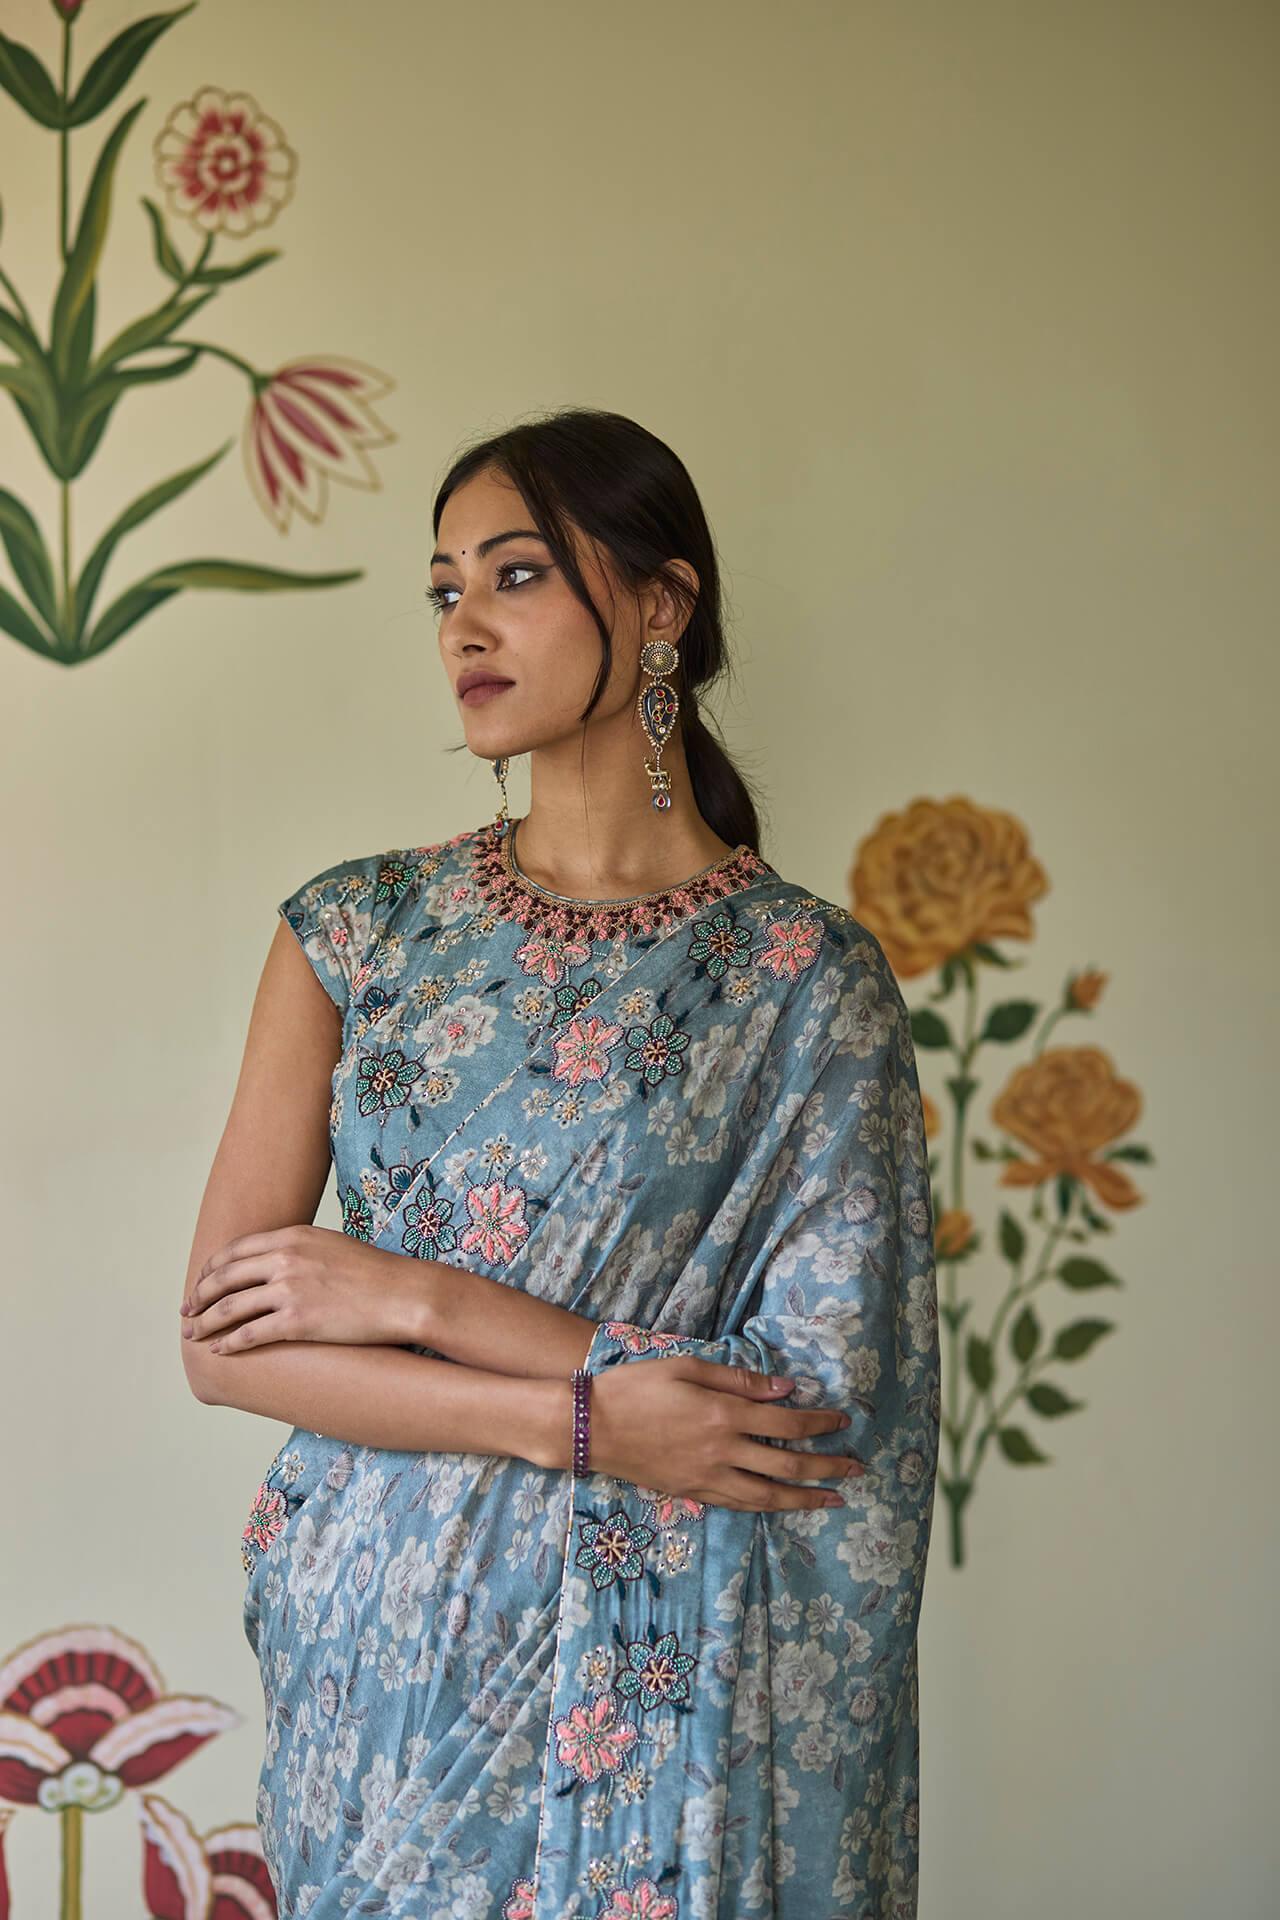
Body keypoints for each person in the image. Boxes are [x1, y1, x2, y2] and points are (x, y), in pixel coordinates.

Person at [180, 406, 940, 1920]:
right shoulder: (355, 930)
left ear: (662, 605)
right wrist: (582, 1423)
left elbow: (817, 1413)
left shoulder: (805, 982)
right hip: (384, 1677)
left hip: (666, 1688)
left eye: (516, 575)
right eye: (445, 587)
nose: (465, 622)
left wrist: (421, 1297)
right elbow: (224, 1349)